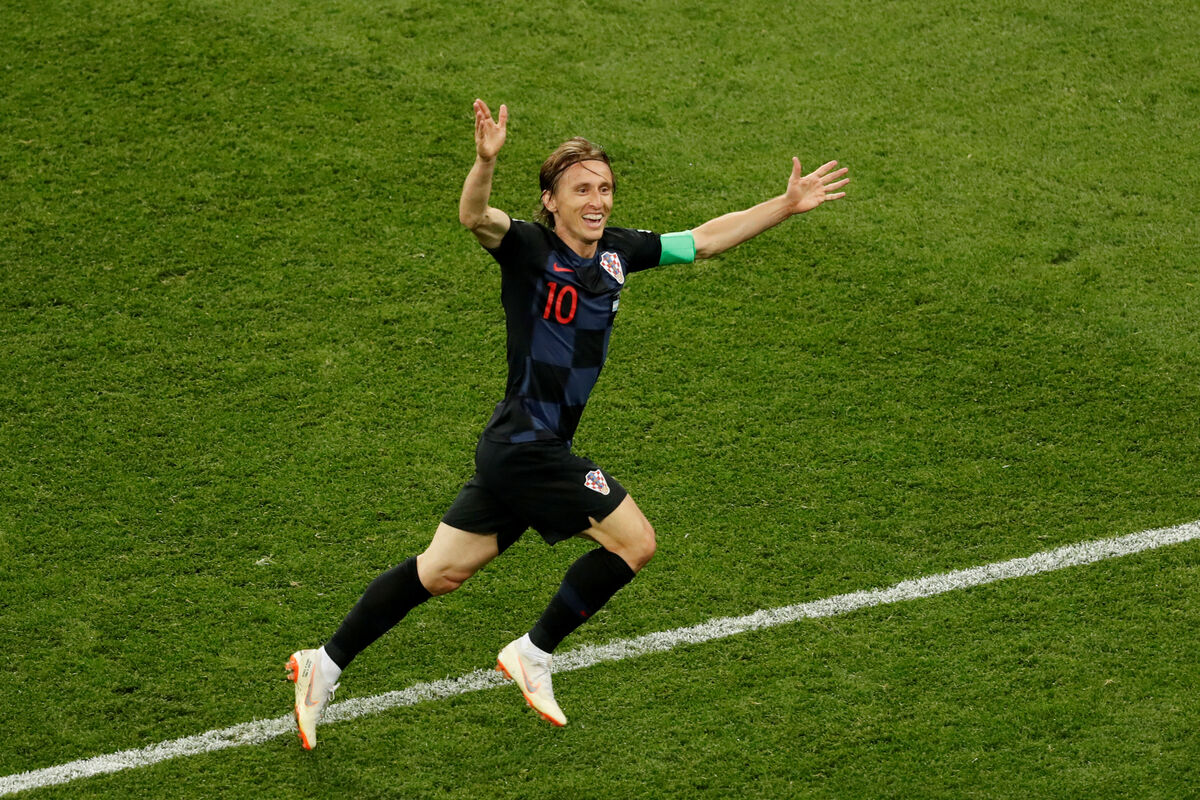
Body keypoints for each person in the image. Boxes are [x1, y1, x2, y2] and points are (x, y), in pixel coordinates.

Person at [286, 99, 848, 749]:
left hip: (518, 446)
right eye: (582, 189)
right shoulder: (529, 248)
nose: (597, 201)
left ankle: (324, 663)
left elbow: (702, 240)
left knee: (439, 572)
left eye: (604, 188)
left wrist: (784, 206)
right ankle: (532, 652)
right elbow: (475, 217)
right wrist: (485, 162)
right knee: (635, 543)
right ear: (550, 201)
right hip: (529, 448)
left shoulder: (619, 252)